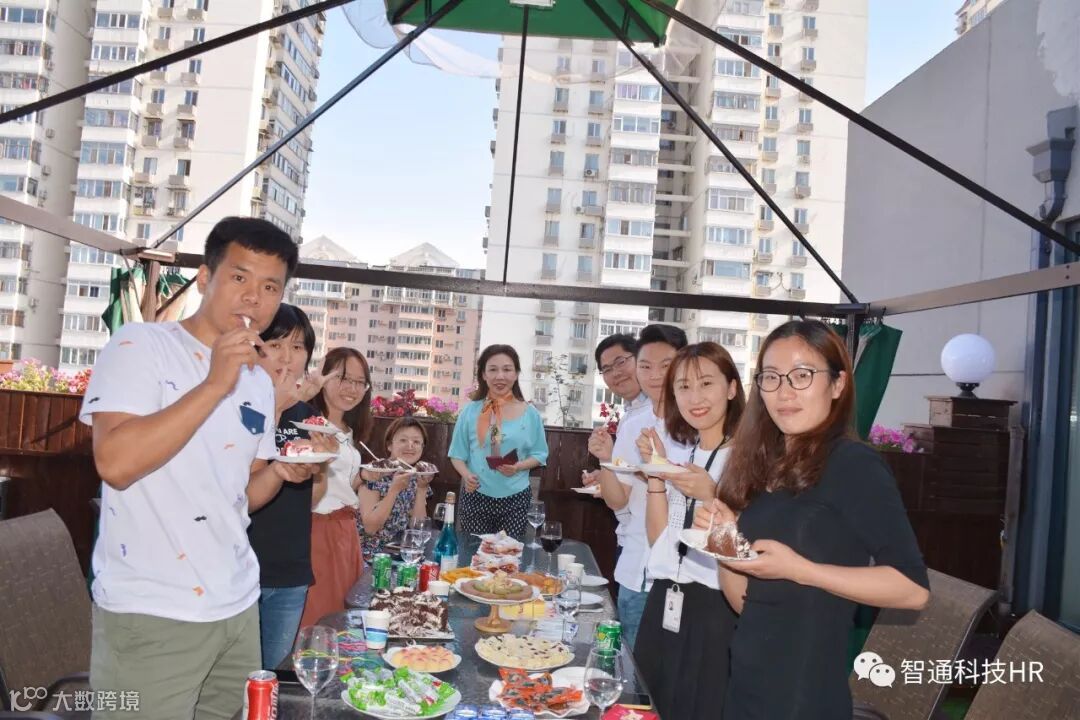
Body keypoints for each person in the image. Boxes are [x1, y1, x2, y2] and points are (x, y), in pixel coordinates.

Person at [81, 217, 321, 719]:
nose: (253, 297)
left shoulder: (258, 380)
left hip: (237, 604)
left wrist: (281, 472)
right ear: (206, 279)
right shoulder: (141, 345)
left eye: (270, 287)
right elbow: (115, 463)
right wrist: (214, 383)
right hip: (153, 611)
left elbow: (240, 494)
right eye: (239, 277)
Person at [694, 320, 930, 720]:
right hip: (747, 684)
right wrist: (725, 540)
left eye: (802, 375)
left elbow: (913, 590)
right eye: (771, 377)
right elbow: (746, 603)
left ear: (837, 384)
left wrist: (801, 570)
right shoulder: (767, 464)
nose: (784, 391)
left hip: (802, 696)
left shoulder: (854, 464)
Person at [634, 342, 745, 720]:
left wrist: (711, 495)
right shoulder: (689, 456)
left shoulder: (748, 462)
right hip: (665, 600)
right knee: (651, 706)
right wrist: (655, 472)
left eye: (706, 383)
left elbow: (746, 548)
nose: (694, 397)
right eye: (683, 387)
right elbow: (660, 542)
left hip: (714, 611)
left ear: (731, 388)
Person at [248, 303, 335, 670]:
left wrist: (321, 465)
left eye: (297, 347)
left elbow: (311, 498)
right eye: (276, 344)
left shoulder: (309, 417)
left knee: (272, 676)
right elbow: (235, 484)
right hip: (242, 569)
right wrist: (275, 409)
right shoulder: (238, 405)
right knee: (237, 680)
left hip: (291, 571)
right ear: (256, 348)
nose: (287, 356)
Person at [597, 324, 690, 649]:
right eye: (646, 366)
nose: (655, 375)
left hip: (682, 575)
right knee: (629, 664)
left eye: (666, 365)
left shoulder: (699, 424)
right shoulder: (633, 424)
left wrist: (657, 473)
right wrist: (605, 459)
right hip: (635, 567)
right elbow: (617, 500)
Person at [299, 347, 373, 628]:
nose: (351, 388)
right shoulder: (311, 425)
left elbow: (341, 482)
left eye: (359, 382)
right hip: (319, 531)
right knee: (320, 619)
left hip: (346, 532)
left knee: (344, 620)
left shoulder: (348, 431)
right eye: (343, 378)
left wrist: (364, 477)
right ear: (324, 377)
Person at [449, 344, 549, 537]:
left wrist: (518, 466)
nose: (500, 376)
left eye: (507, 369)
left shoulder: (531, 414)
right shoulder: (469, 411)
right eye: (493, 370)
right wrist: (466, 475)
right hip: (476, 495)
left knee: (509, 553)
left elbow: (539, 454)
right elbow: (457, 454)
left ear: (516, 373)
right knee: (474, 551)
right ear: (484, 375)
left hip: (516, 499)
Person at [356, 417, 436, 565]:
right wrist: (394, 491)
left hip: (399, 555)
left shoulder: (415, 476)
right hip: (369, 557)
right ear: (389, 445)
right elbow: (370, 528)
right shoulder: (374, 473)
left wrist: (422, 489)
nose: (410, 446)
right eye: (403, 440)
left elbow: (418, 528)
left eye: (416, 441)